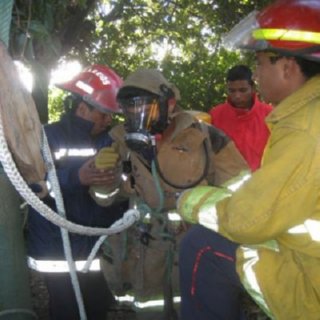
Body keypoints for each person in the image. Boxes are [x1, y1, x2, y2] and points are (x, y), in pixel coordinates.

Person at [177, 1, 320, 319]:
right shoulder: (306, 116)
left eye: (259, 63)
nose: (256, 74)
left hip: (312, 285)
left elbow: (249, 222)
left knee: (199, 245)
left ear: (287, 67)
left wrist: (190, 203)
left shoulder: (304, 130)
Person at [103, 68, 248, 317]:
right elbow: (106, 199)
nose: (137, 114)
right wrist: (102, 180)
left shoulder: (207, 139)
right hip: (144, 253)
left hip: (193, 247)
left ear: (168, 104)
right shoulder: (120, 143)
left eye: (144, 106)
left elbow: (243, 196)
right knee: (149, 312)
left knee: (199, 310)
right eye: (130, 108)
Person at [27, 64, 128, 320]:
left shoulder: (110, 142)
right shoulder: (48, 137)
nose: (108, 120)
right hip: (58, 250)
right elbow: (31, 187)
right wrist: (76, 177)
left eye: (111, 115)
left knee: (96, 310)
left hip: (97, 249)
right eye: (103, 114)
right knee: (67, 313)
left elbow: (126, 188)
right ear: (83, 107)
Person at [209, 64, 272, 171]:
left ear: (253, 88)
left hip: (261, 182)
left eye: (243, 90)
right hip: (224, 182)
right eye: (232, 91)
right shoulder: (215, 115)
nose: (237, 96)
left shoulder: (270, 115)